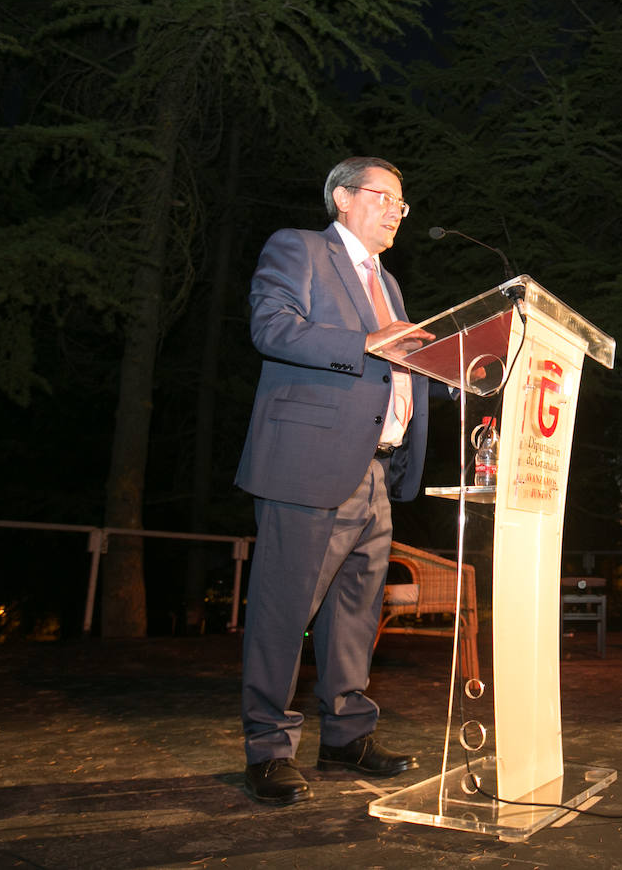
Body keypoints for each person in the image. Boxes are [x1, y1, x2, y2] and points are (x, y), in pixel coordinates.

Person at [234, 156, 430, 806]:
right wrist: (371, 342)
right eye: (384, 197)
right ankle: (267, 749)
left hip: (376, 470)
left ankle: (346, 734)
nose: (396, 210)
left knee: (355, 614)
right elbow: (273, 327)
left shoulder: (390, 283)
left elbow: (397, 367)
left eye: (403, 203)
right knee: (282, 610)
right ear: (344, 197)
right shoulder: (300, 250)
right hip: (308, 462)